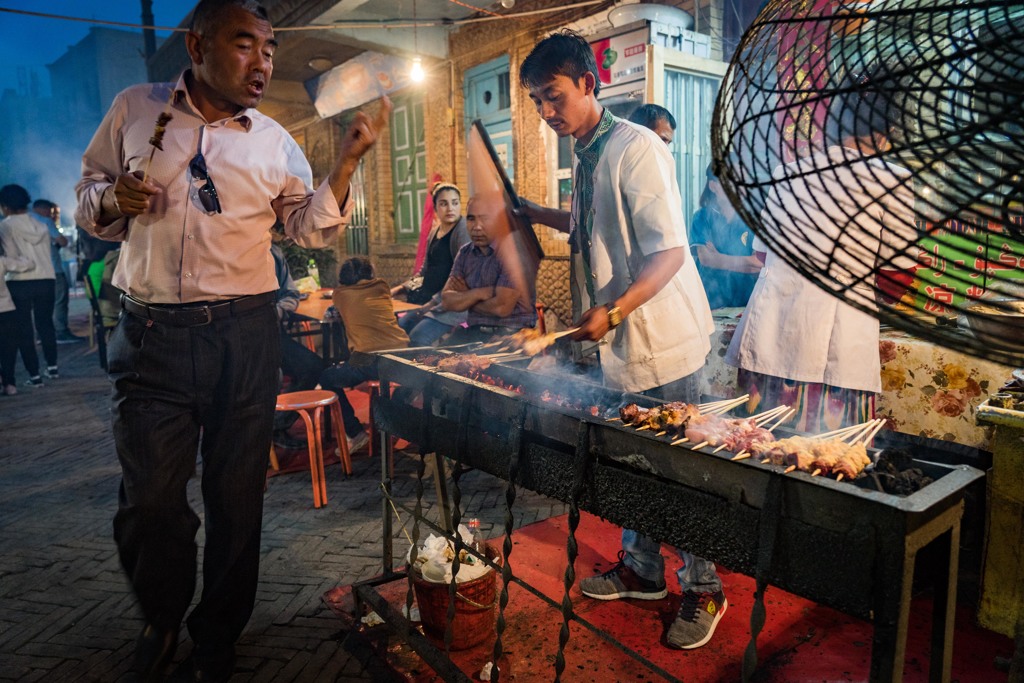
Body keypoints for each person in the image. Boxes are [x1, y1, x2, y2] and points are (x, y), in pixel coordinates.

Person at [73, 1, 389, 680]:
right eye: (244, 45)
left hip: (244, 335)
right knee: (151, 500)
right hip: (152, 332)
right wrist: (109, 202)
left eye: (269, 49)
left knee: (236, 492)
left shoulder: (273, 139)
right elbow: (91, 195)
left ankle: (218, 630)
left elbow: (307, 227)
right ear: (197, 44)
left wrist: (348, 162)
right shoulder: (137, 108)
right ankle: (161, 615)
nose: (262, 62)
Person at [517, 30, 722, 650]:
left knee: (681, 471)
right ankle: (643, 569)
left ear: (588, 83)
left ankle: (704, 586)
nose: (547, 114)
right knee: (627, 461)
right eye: (536, 103)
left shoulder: (636, 150)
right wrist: (528, 210)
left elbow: (670, 251)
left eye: (553, 97)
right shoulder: (586, 153)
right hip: (619, 339)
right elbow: (587, 227)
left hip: (664, 337)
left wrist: (613, 309)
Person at [725, 78, 919, 433]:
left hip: (768, 340)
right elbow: (896, 279)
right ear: (883, 133)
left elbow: (761, 256)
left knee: (755, 452)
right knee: (827, 463)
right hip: (833, 356)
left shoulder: (786, 175)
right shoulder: (891, 179)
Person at [319, 257, 409, 453]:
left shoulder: (340, 295)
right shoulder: (382, 286)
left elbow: (334, 313)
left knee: (326, 377)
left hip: (367, 358)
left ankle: (355, 433)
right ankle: (395, 415)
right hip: (402, 354)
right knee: (417, 381)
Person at [440, 197, 538, 345]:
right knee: (435, 358)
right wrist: (479, 293)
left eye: (485, 219)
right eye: (471, 219)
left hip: (511, 334)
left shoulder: (514, 253)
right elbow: (447, 301)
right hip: (475, 331)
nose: (477, 227)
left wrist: (466, 298)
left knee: (485, 367)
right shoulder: (465, 253)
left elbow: (501, 308)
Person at [396, 182, 471, 346]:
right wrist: (400, 288)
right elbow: (424, 272)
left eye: (455, 203)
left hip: (451, 305)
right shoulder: (434, 232)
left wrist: (432, 303)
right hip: (428, 302)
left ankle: (424, 372)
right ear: (436, 208)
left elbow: (461, 277)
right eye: (444, 203)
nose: (450, 208)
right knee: (399, 329)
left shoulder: (463, 229)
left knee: (418, 337)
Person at [0, 184, 60, 386]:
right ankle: (53, 368)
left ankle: (34, 376)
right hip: (46, 279)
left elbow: (10, 256)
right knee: (46, 324)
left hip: (20, 283)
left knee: (24, 330)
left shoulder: (6, 226)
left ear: (5, 205)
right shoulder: (41, 225)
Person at [271, 239, 326, 444]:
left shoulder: (272, 251)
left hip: (272, 332)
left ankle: (278, 424)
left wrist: (277, 311)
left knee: (312, 366)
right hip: (239, 337)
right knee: (269, 377)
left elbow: (290, 292)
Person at [689, 165, 761, 309]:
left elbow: (759, 264)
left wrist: (720, 259)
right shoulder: (702, 217)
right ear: (713, 186)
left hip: (746, 303)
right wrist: (745, 264)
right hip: (710, 303)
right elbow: (707, 260)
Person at [33, 200, 85, 343]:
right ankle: (61, 332)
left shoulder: (22, 223)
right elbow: (63, 241)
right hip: (53, 268)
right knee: (60, 301)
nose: (51, 215)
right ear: (41, 209)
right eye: (50, 212)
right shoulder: (46, 222)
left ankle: (41, 334)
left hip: (33, 271)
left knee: (39, 304)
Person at [0, 233, 33, 396]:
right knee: (8, 349)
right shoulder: (2, 262)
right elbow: (27, 264)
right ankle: (9, 384)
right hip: (6, 309)